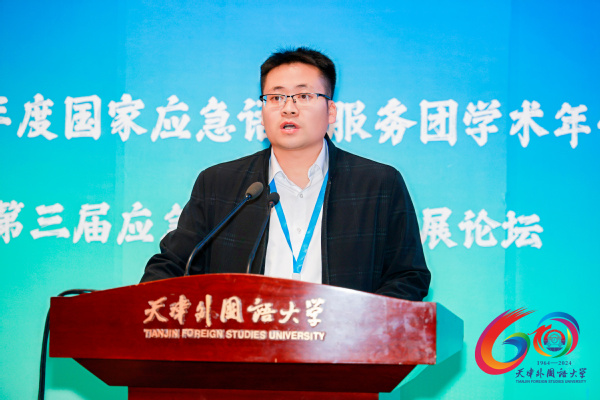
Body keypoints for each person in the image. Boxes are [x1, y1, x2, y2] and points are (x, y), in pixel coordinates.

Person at [141, 47, 430, 301]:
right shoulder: (219, 184)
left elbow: (408, 276)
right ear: (262, 110)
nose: (288, 108)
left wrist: (362, 324)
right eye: (276, 97)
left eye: (303, 95)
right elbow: (174, 265)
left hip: (343, 342)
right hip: (244, 341)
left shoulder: (379, 184)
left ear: (331, 111)